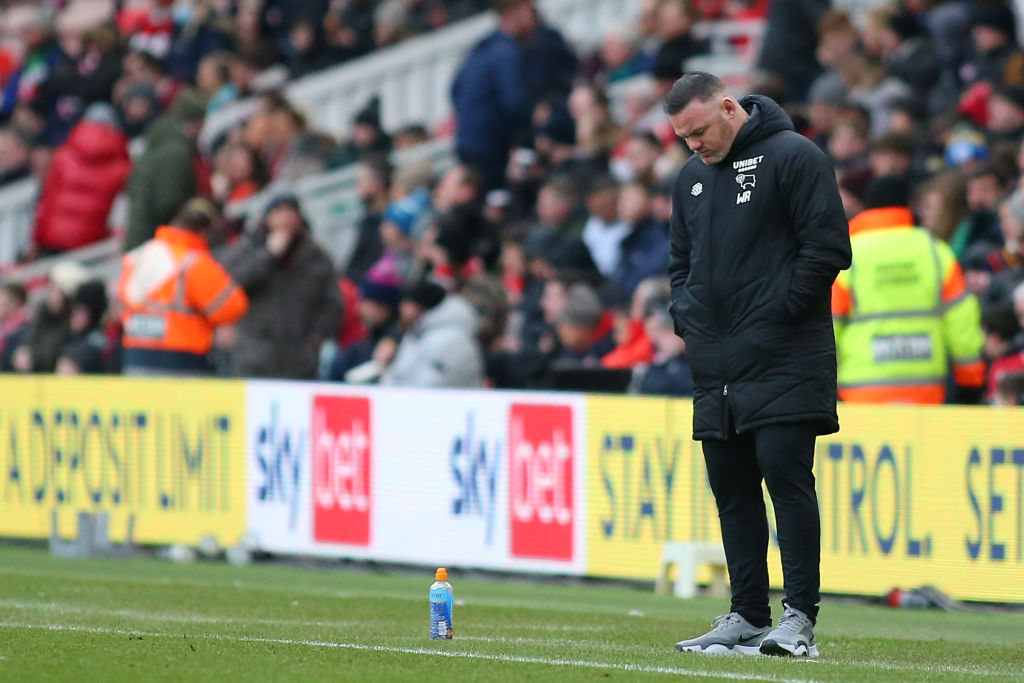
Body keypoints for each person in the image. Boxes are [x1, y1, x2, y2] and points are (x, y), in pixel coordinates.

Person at [667, 73, 851, 657]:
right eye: (683, 138)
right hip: (716, 362)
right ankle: (747, 614)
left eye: (699, 131)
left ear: (728, 107)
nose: (694, 145)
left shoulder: (794, 156)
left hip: (786, 355)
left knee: (785, 477)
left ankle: (799, 620)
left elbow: (827, 248)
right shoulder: (691, 180)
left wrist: (779, 315)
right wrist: (688, 319)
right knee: (732, 486)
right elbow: (679, 263)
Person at [832, 176, 985, 404]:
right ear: (910, 205)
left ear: (867, 207)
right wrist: (970, 382)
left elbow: (828, 325)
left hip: (860, 392)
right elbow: (962, 322)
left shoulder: (848, 254)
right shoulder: (935, 252)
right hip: (926, 391)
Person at [218, 196, 344, 379]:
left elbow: (333, 305)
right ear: (267, 218)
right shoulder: (247, 249)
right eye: (279, 212)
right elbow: (229, 286)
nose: (285, 219)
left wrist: (314, 340)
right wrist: (268, 256)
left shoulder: (316, 258)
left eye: (290, 212)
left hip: (299, 361)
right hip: (252, 358)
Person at [118, 198, 248, 375]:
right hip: (181, 359)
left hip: (135, 356)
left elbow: (122, 297)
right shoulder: (193, 263)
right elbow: (233, 307)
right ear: (205, 231)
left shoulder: (138, 256)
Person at [124, 89, 208, 251]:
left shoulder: (161, 138)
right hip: (153, 240)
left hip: (140, 233)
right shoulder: (177, 150)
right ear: (195, 121)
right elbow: (168, 202)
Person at [379, 280, 484, 387]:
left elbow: (430, 386)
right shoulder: (418, 332)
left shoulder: (449, 339)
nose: (402, 310)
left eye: (406, 304)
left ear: (417, 305)